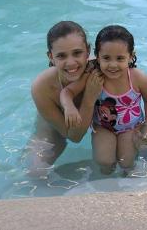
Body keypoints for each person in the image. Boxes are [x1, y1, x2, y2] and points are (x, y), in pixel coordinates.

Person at [60, 25, 147, 175]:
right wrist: (69, 107)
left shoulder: (138, 78)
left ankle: (127, 186)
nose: (113, 65)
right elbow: (67, 92)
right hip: (103, 127)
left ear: (131, 56)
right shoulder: (93, 77)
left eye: (120, 58)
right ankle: (106, 185)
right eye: (106, 58)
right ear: (97, 56)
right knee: (105, 162)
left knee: (127, 163)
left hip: (131, 127)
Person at [25, 21, 103, 178]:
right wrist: (89, 97)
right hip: (57, 124)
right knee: (35, 172)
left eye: (77, 53)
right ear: (51, 57)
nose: (71, 63)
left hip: (101, 116)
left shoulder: (104, 65)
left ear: (88, 51)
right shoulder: (42, 87)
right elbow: (74, 136)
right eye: (61, 56)